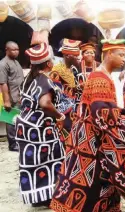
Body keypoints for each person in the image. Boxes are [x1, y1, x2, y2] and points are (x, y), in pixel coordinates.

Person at [50, 39, 125, 212]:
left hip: (88, 136)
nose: (123, 59)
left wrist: (120, 114)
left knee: (91, 180)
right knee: (95, 182)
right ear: (108, 54)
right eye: (120, 55)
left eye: (124, 55)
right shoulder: (100, 78)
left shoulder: (102, 75)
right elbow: (101, 114)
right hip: (93, 140)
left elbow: (105, 110)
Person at [16, 43, 65, 207]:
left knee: (33, 163)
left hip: (25, 128)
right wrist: (59, 116)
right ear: (49, 63)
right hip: (40, 130)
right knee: (52, 161)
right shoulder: (44, 81)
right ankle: (48, 197)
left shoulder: (28, 79)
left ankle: (37, 199)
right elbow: (45, 103)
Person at [50, 39, 81, 140]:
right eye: (75, 56)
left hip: (72, 110)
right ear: (67, 56)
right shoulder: (56, 71)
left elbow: (72, 89)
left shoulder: (73, 69)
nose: (78, 58)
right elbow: (54, 94)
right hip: (62, 111)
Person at [0, 41, 24, 152]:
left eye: (17, 49)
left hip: (19, 95)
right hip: (11, 97)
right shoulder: (3, 64)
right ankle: (13, 144)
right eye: (13, 50)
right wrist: (6, 100)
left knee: (18, 119)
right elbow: (3, 83)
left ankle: (18, 141)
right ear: (7, 50)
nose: (16, 52)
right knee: (11, 120)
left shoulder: (15, 62)